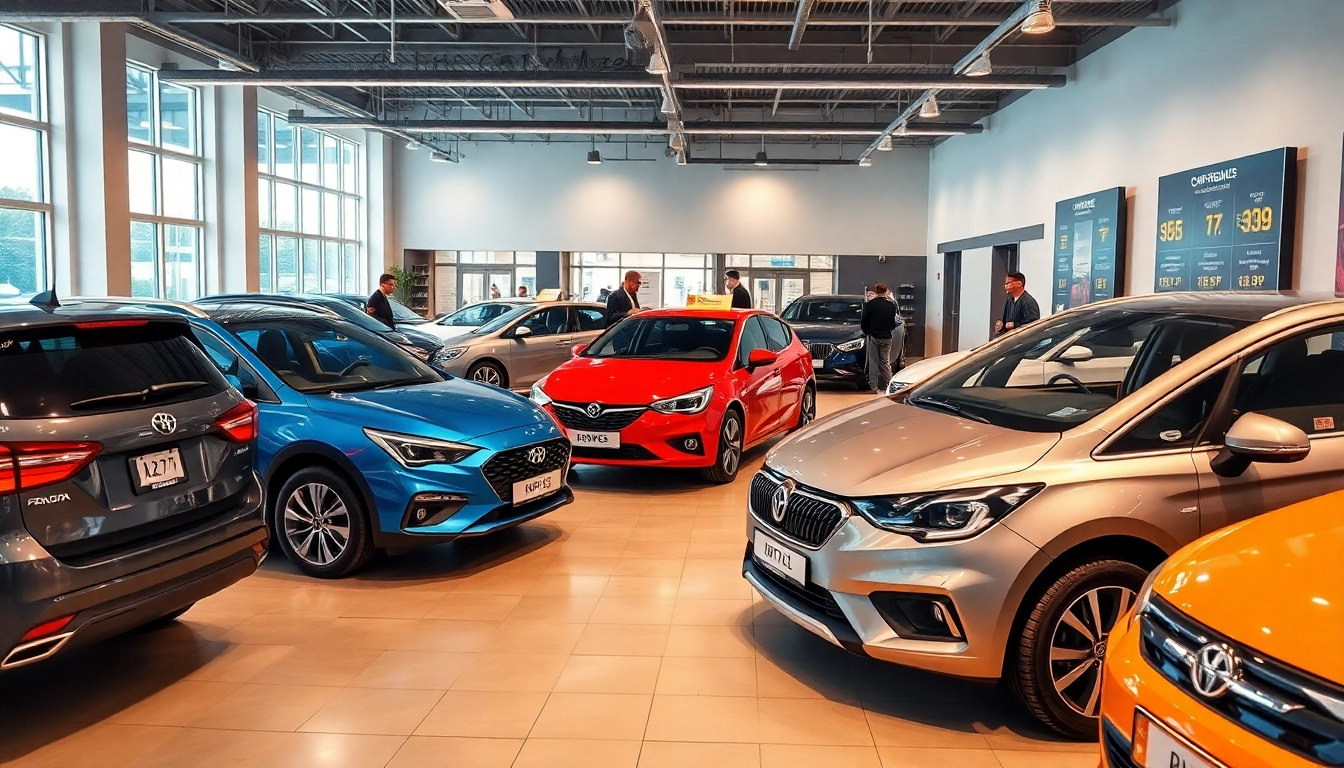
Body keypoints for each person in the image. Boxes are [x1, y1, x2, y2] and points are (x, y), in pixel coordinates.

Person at [860, 283, 899, 391]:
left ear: (876, 291)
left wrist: (867, 331)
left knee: (873, 360)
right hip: (886, 336)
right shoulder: (891, 305)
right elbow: (893, 322)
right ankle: (890, 383)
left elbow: (864, 320)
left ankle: (873, 385)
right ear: (886, 291)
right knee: (885, 361)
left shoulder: (870, 304)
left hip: (874, 336)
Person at [996, 271, 1041, 336]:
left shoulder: (1028, 302)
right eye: (1005, 283)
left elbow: (1033, 324)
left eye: (1008, 283)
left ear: (1019, 284)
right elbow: (1006, 323)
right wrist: (1001, 326)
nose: (1006, 286)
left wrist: (1014, 325)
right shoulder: (1010, 301)